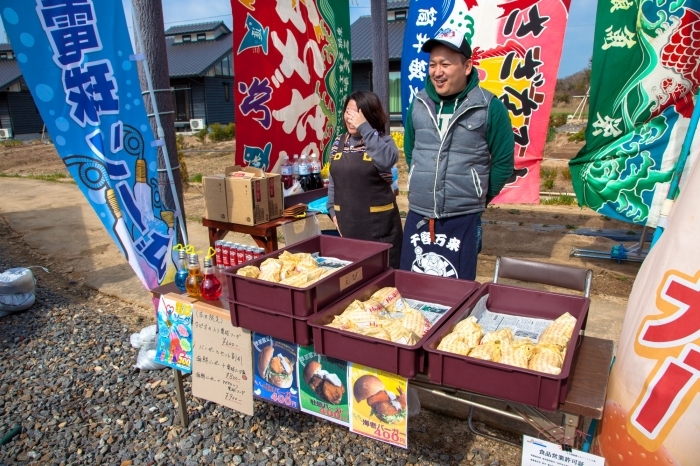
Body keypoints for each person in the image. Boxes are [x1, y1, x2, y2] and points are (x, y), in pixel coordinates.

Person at [400, 29, 514, 280]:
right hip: (419, 214)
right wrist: (422, 181)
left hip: (462, 218)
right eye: (432, 64)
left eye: (445, 64)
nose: (437, 72)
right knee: (414, 284)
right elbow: (411, 152)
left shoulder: (489, 107)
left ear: (466, 66)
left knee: (456, 289)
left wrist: (477, 195)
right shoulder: (418, 104)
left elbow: (504, 163)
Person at [327, 90, 403, 268]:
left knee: (383, 281)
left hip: (380, 230)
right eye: (348, 112)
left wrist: (365, 129)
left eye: (357, 114)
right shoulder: (339, 142)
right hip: (348, 225)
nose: (351, 118)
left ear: (369, 115)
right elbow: (333, 181)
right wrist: (332, 211)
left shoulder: (382, 141)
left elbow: (387, 160)